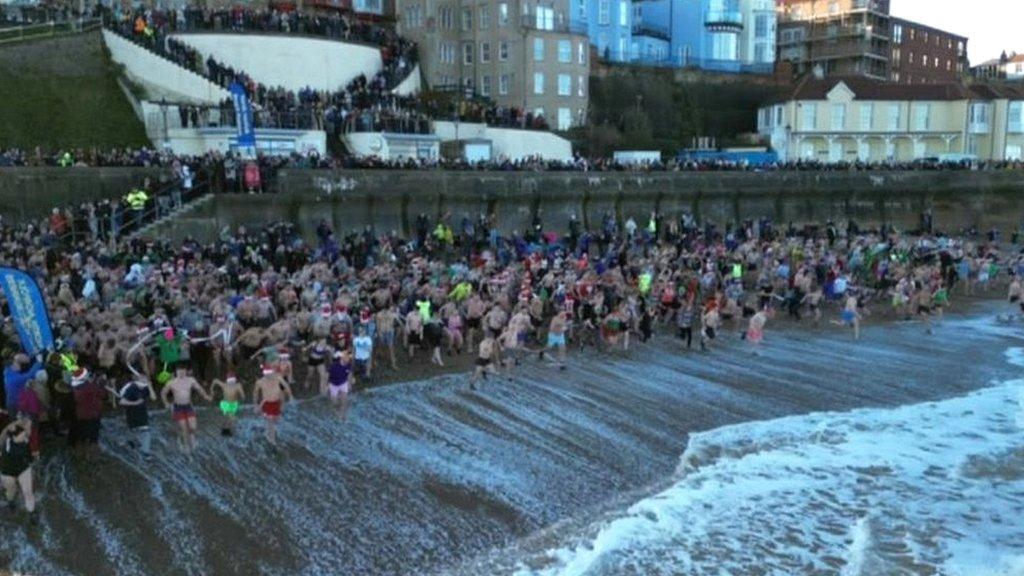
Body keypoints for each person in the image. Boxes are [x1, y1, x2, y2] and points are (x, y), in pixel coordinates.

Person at [161, 363, 212, 455]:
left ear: (186, 371)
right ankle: (185, 445)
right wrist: (166, 402)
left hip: (188, 406)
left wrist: (206, 396)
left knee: (193, 427)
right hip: (178, 407)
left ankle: (192, 438)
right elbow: (163, 392)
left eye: (183, 371)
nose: (181, 373)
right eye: (179, 371)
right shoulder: (171, 382)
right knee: (184, 428)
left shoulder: (190, 380)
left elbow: (199, 389)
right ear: (176, 372)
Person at [1, 416, 35, 519]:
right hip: (7, 471)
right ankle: (11, 502)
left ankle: (32, 514)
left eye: (25, 434)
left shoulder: (24, 439)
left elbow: (29, 455)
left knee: (28, 492)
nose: (25, 436)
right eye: (23, 435)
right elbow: (17, 452)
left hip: (22, 469)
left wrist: (31, 461)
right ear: (14, 437)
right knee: (11, 491)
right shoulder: (7, 444)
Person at [114, 376, 156, 457]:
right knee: (133, 430)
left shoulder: (145, 388)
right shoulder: (131, 388)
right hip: (132, 413)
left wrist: (150, 386)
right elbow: (122, 402)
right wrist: (135, 403)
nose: (145, 380)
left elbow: (153, 398)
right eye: (143, 379)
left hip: (143, 413)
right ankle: (130, 442)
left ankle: (145, 452)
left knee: (145, 431)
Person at [252, 366, 292, 445]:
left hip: (276, 403)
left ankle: (267, 432)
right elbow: (255, 393)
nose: (268, 376)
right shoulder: (260, 382)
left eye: (269, 374)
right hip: (266, 403)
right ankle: (272, 441)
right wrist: (255, 404)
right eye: (266, 374)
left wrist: (290, 396)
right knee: (271, 421)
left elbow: (286, 387)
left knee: (275, 420)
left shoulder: (278, 378)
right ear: (263, 374)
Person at [70, 368, 105, 452]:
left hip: (81, 413)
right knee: (94, 433)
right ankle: (92, 450)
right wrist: (101, 385)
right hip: (93, 413)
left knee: (82, 432)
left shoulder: (74, 387)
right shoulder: (90, 386)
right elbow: (102, 394)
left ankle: (80, 449)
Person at [326, 351, 353, 421]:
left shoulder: (348, 365)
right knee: (334, 403)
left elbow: (349, 374)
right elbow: (327, 375)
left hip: (343, 384)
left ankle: (342, 416)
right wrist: (327, 385)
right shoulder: (334, 366)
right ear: (342, 358)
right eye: (347, 358)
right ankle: (336, 412)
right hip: (333, 385)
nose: (348, 360)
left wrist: (349, 383)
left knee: (344, 401)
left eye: (349, 359)